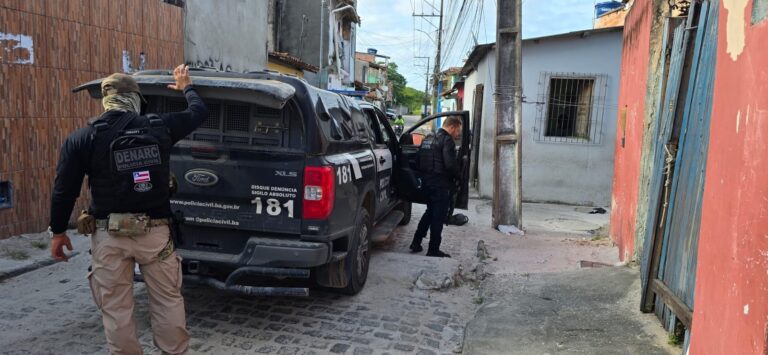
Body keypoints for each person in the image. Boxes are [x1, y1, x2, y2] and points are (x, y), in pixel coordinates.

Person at [49, 64, 207, 355]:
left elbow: (63, 191)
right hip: (156, 235)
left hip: (108, 237)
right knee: (167, 301)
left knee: (116, 309)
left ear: (105, 101)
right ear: (135, 99)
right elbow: (199, 113)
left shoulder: (82, 138)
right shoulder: (161, 126)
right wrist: (187, 86)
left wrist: (58, 232)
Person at [409, 116, 462, 258]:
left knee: (429, 213)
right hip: (440, 184)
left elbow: (418, 160)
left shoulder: (428, 138)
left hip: (427, 182)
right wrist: (459, 177)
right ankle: (433, 249)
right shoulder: (447, 140)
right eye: (458, 131)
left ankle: (416, 242)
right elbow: (450, 164)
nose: (458, 134)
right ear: (452, 127)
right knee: (438, 217)